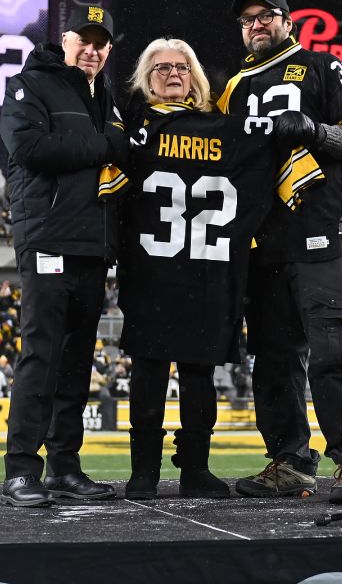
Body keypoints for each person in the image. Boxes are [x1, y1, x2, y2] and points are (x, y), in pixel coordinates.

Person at [109, 37, 303, 500]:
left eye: (181, 66)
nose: (172, 74)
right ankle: (145, 471)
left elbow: (283, 144)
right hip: (152, 269)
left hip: (209, 271)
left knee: (199, 375)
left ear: (195, 76)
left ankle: (195, 466)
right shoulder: (129, 130)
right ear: (144, 78)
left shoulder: (228, 128)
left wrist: (306, 128)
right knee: (149, 372)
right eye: (160, 68)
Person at [224, 0, 342, 505]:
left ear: (287, 21)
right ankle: (290, 461)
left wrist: (315, 130)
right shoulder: (233, 86)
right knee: (271, 360)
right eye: (246, 20)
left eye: (264, 16)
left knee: (332, 352)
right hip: (260, 240)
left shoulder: (320, 66)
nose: (255, 25)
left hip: (318, 231)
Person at [0, 5, 129, 508]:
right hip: (48, 239)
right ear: (64, 40)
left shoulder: (105, 95)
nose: (92, 50)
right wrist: (101, 146)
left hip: (91, 246)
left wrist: (106, 144)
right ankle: (21, 470)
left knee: (75, 363)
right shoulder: (30, 83)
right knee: (41, 357)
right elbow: (30, 148)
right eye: (84, 40)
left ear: (109, 51)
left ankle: (64, 468)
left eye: (102, 43)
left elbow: (125, 151)